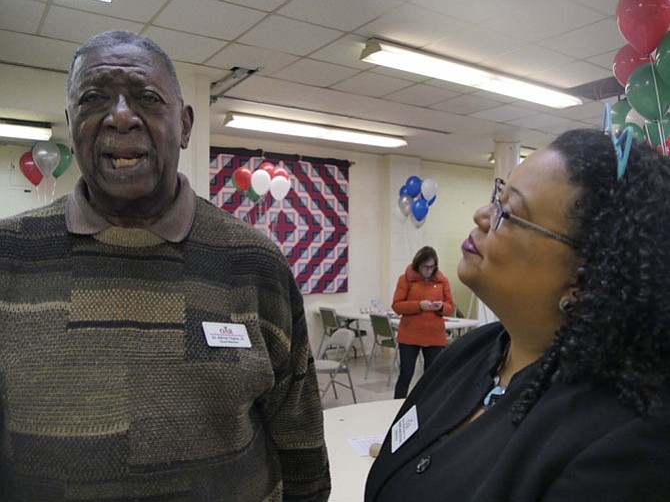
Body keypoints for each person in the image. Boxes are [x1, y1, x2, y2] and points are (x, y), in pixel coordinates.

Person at [0, 30, 330, 501]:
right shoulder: (8, 255)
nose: (119, 116)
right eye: (94, 98)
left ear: (186, 124)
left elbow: (301, 442)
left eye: (147, 99)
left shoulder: (254, 264)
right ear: (72, 121)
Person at [366, 127, 670, 501]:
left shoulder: (623, 448)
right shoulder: (471, 351)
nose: (481, 215)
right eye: (497, 196)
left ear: (584, 276)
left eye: (507, 213)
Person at [391, 246, 454, 399]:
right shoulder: (406, 279)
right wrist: (419, 305)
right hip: (410, 335)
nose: (428, 270)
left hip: (434, 336)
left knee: (432, 376)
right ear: (418, 265)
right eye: (425, 267)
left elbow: (450, 307)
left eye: (432, 267)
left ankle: (427, 407)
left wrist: (441, 307)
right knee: (406, 374)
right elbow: (397, 306)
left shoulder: (442, 281)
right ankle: (396, 407)